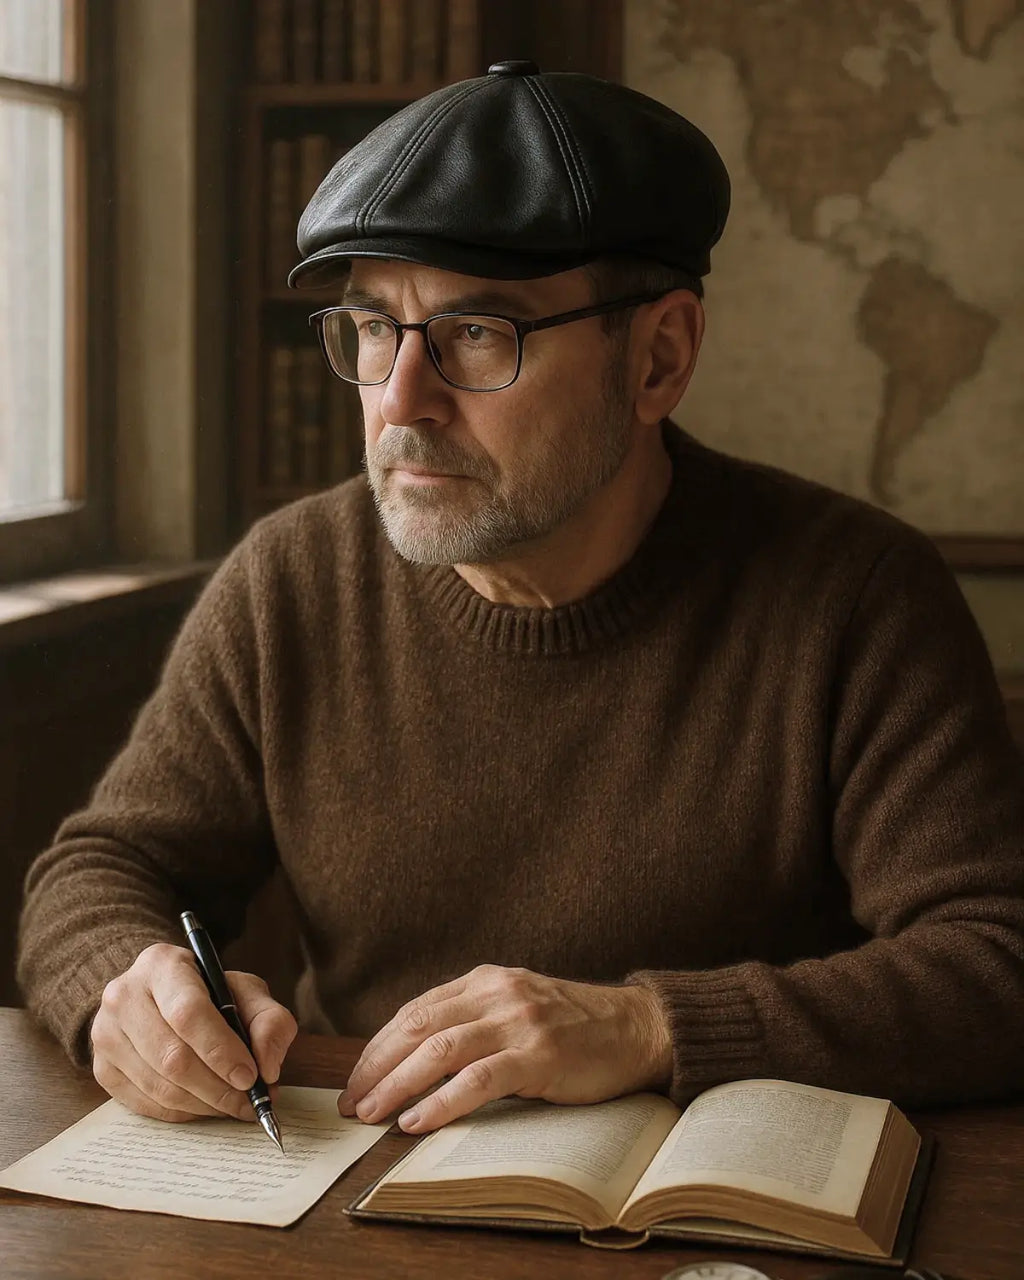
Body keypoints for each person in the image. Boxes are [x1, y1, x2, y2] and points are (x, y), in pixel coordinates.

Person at [17, 62, 1024, 1138]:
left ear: (659, 357)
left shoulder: (855, 596)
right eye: (369, 327)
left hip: (712, 1218)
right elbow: (103, 865)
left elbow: (995, 956)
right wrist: (130, 991)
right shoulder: (291, 580)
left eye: (476, 335)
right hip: (352, 1191)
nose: (400, 399)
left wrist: (650, 1025)